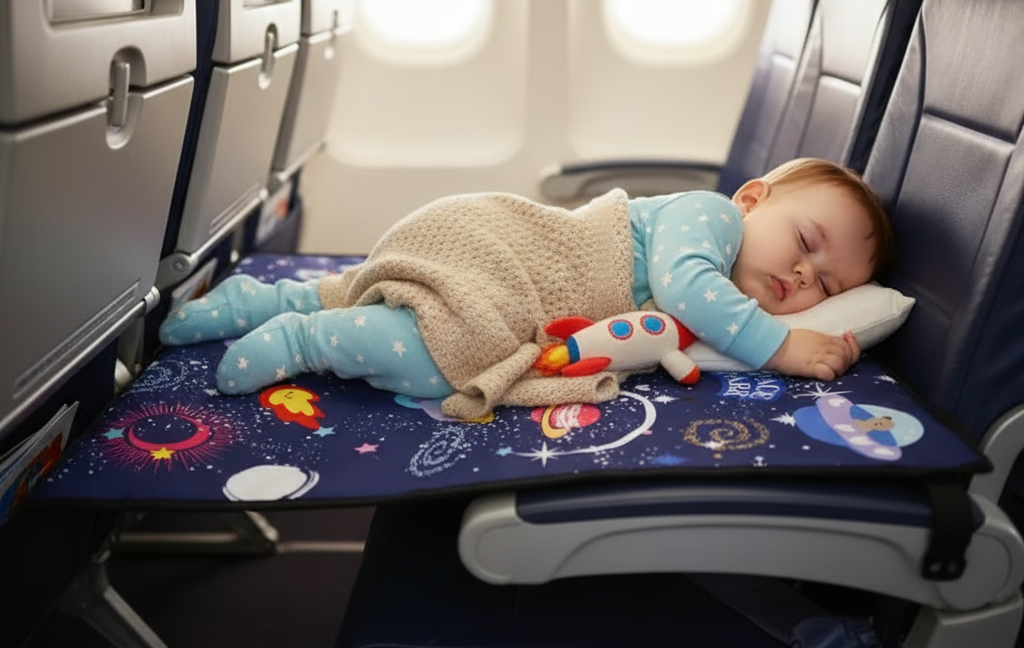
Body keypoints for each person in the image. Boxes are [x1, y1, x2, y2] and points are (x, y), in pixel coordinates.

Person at [159, 157, 894, 419]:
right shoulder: (711, 219)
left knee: (365, 288)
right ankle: (304, 339)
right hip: (504, 249)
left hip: (496, 253)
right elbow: (686, 288)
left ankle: (261, 300)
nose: (805, 276)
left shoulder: (731, 281)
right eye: (806, 244)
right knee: (447, 354)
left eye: (825, 284)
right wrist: (781, 346)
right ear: (753, 200)